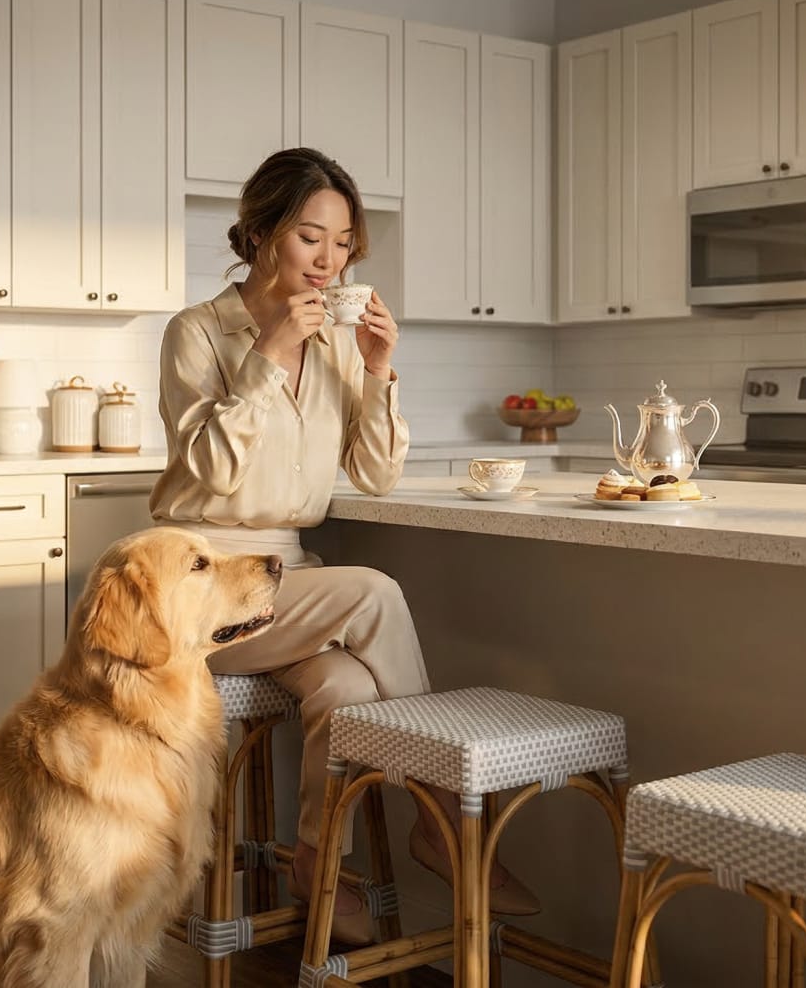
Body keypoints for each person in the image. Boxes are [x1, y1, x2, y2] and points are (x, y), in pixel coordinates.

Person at [149, 148, 537, 945]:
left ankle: (317, 862)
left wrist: (380, 370)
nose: (329, 261)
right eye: (309, 239)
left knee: (346, 687)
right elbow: (212, 473)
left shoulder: (333, 342)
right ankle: (443, 823)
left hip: (285, 580)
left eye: (343, 243)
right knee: (374, 592)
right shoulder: (198, 333)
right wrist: (268, 358)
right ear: (261, 233)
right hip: (201, 583)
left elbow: (374, 473)